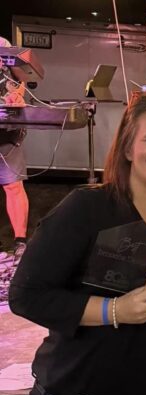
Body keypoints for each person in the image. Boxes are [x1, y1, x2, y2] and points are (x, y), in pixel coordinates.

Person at [9, 92, 146, 395]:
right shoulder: (87, 208)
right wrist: (114, 310)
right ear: (127, 148)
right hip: (76, 391)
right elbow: (26, 296)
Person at [0, 36, 30, 265]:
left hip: (8, 136)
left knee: (13, 185)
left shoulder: (11, 66)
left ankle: (20, 240)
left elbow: (24, 79)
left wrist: (18, 94)